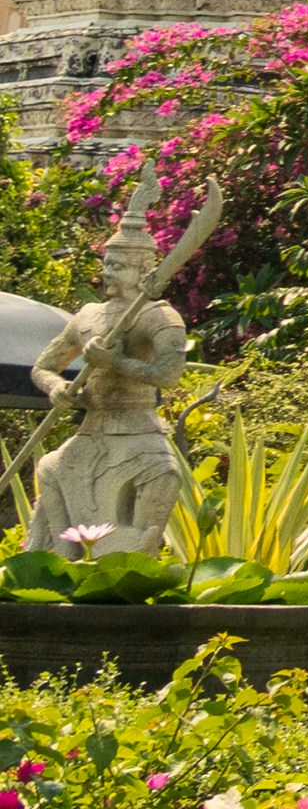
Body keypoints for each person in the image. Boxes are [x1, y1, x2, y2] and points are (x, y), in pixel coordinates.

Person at [21, 185, 219, 560]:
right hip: (91, 429)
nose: (107, 272)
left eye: (118, 266)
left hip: (140, 432)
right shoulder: (87, 316)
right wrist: (57, 388)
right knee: (50, 468)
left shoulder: (160, 317)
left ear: (144, 270)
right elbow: (44, 367)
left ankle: (133, 557)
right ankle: (60, 555)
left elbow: (168, 374)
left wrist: (117, 363)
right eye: (107, 263)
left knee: (163, 477)